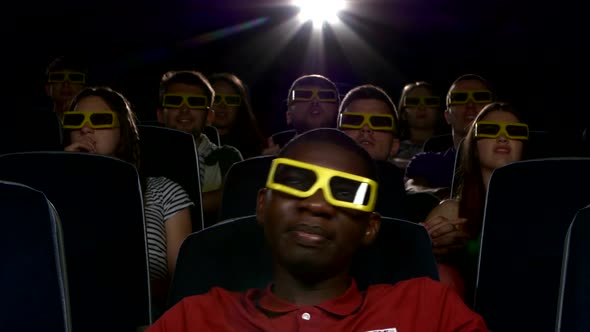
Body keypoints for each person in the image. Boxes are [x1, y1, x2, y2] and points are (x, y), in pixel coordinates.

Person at [147, 128, 488, 331]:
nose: (317, 204)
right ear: (263, 206)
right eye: (296, 181)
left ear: (370, 228)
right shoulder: (195, 319)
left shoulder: (428, 311)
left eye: (345, 192)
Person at [62, 86, 194, 314]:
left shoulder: (164, 191)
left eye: (100, 119)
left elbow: (181, 283)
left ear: (122, 130)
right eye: (76, 120)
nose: (85, 128)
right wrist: (63, 177)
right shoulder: (54, 192)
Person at [423, 102, 528, 303]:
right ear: (474, 146)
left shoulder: (542, 212)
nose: (503, 137)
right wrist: (430, 245)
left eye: (515, 131)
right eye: (489, 130)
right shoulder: (451, 211)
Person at [156, 70, 243, 226]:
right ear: (160, 115)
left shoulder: (226, 157)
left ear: (209, 116)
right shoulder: (143, 156)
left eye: (195, 102)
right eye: (175, 101)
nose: (184, 109)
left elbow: (236, 200)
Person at [405, 74, 494, 197]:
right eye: (460, 98)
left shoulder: (507, 158)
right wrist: (442, 195)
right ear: (447, 116)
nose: (470, 104)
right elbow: (412, 188)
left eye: (480, 97)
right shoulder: (426, 162)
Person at [262, 74, 340, 154]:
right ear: (288, 115)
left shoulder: (352, 160)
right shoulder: (265, 163)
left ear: (338, 112)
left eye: (325, 96)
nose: (315, 101)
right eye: (303, 95)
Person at [208, 72, 266, 159]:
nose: (222, 105)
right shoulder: (192, 142)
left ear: (240, 106)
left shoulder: (256, 147)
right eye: (216, 99)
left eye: (231, 100)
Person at [394, 81, 447, 167]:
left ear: (439, 112)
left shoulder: (452, 149)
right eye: (413, 102)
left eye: (429, 102)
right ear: (403, 113)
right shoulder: (392, 149)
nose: (421, 107)